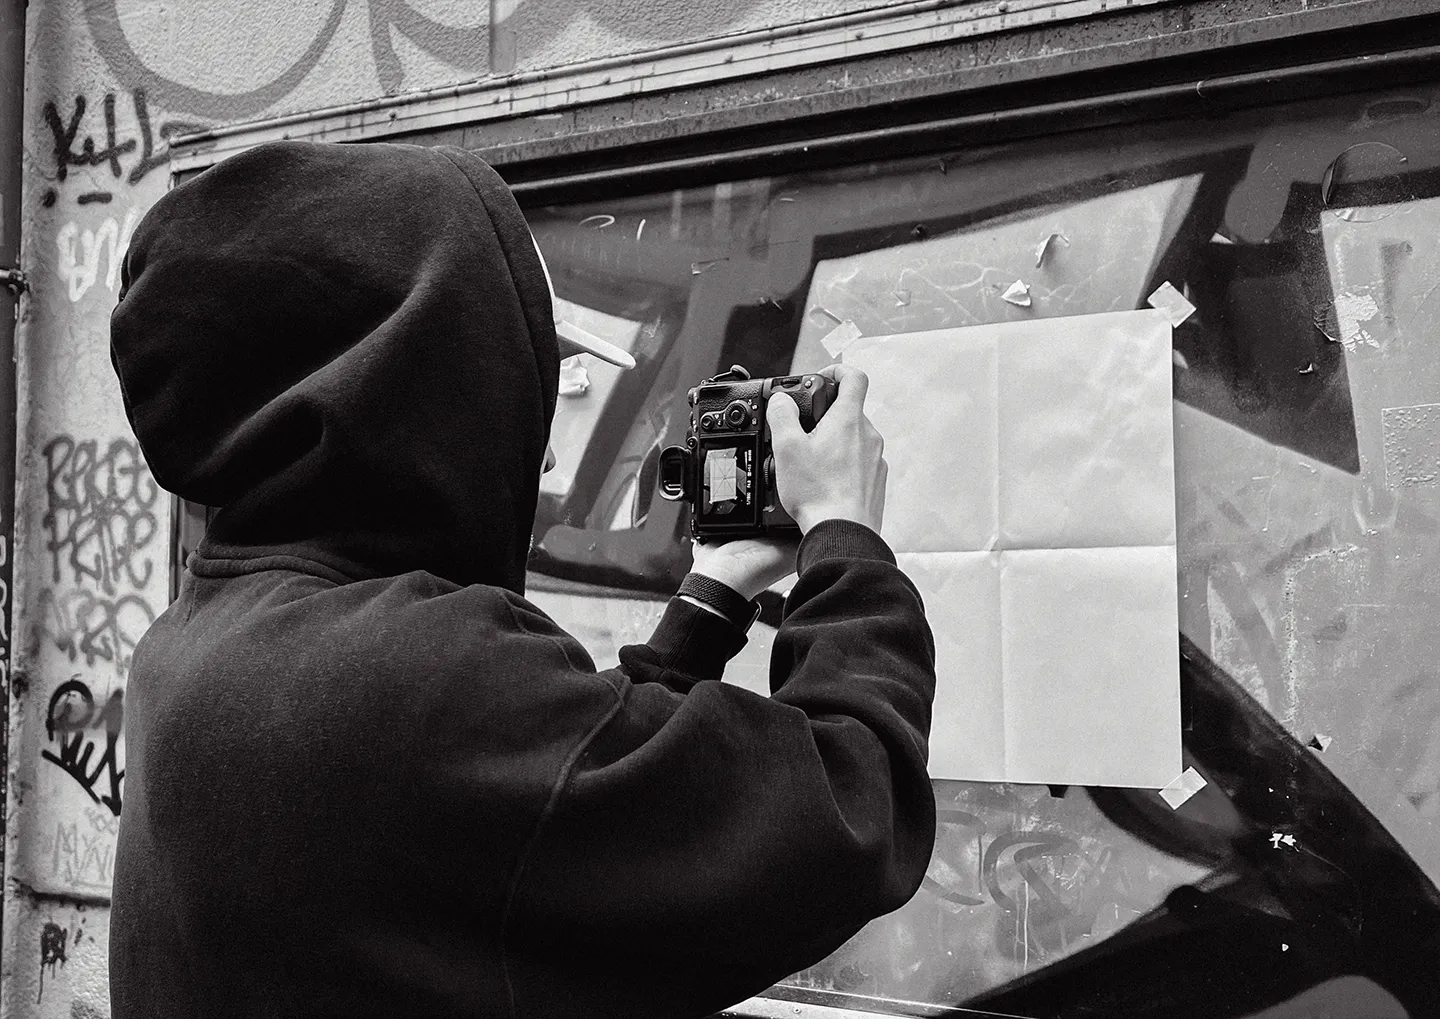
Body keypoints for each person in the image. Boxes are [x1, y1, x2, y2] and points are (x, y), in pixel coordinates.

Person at [108, 139, 937, 1018]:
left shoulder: (210, 634)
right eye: (507, 389)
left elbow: (557, 795)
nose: (540, 453)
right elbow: (851, 804)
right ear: (408, 393)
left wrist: (714, 594)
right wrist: (845, 536)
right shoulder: (412, 678)